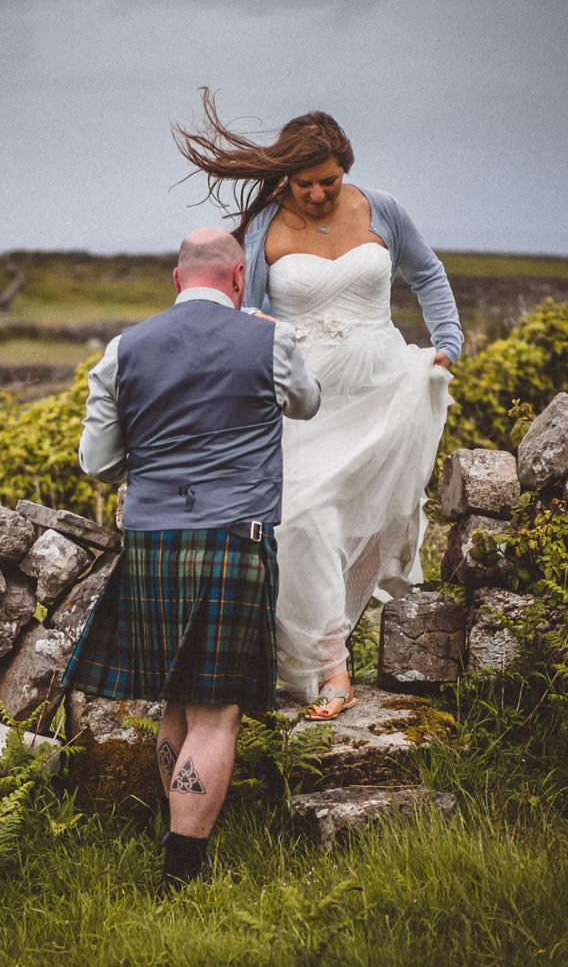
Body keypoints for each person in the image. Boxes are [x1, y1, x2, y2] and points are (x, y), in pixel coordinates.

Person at [173, 90, 460, 720]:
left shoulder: (382, 209)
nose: (317, 195)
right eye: (305, 184)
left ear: (344, 170)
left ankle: (365, 642)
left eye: (328, 181)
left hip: (384, 385)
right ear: (286, 178)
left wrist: (447, 344)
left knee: (377, 518)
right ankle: (331, 665)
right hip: (304, 400)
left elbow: (428, 273)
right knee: (301, 518)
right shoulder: (262, 229)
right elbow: (246, 312)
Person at [65, 227, 321, 892]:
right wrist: (269, 337)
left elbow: (98, 463)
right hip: (234, 539)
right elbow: (308, 402)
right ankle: (183, 870)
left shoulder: (124, 348)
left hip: (151, 540)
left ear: (178, 280)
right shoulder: (270, 338)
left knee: (176, 698)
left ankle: (179, 830)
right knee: (217, 711)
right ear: (238, 279)